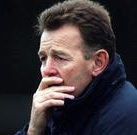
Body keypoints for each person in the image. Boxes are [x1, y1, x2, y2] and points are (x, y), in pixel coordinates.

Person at [15, 0, 137, 134]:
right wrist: (34, 130)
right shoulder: (55, 110)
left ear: (98, 63)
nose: (47, 70)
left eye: (60, 58)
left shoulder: (127, 115)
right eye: (43, 58)